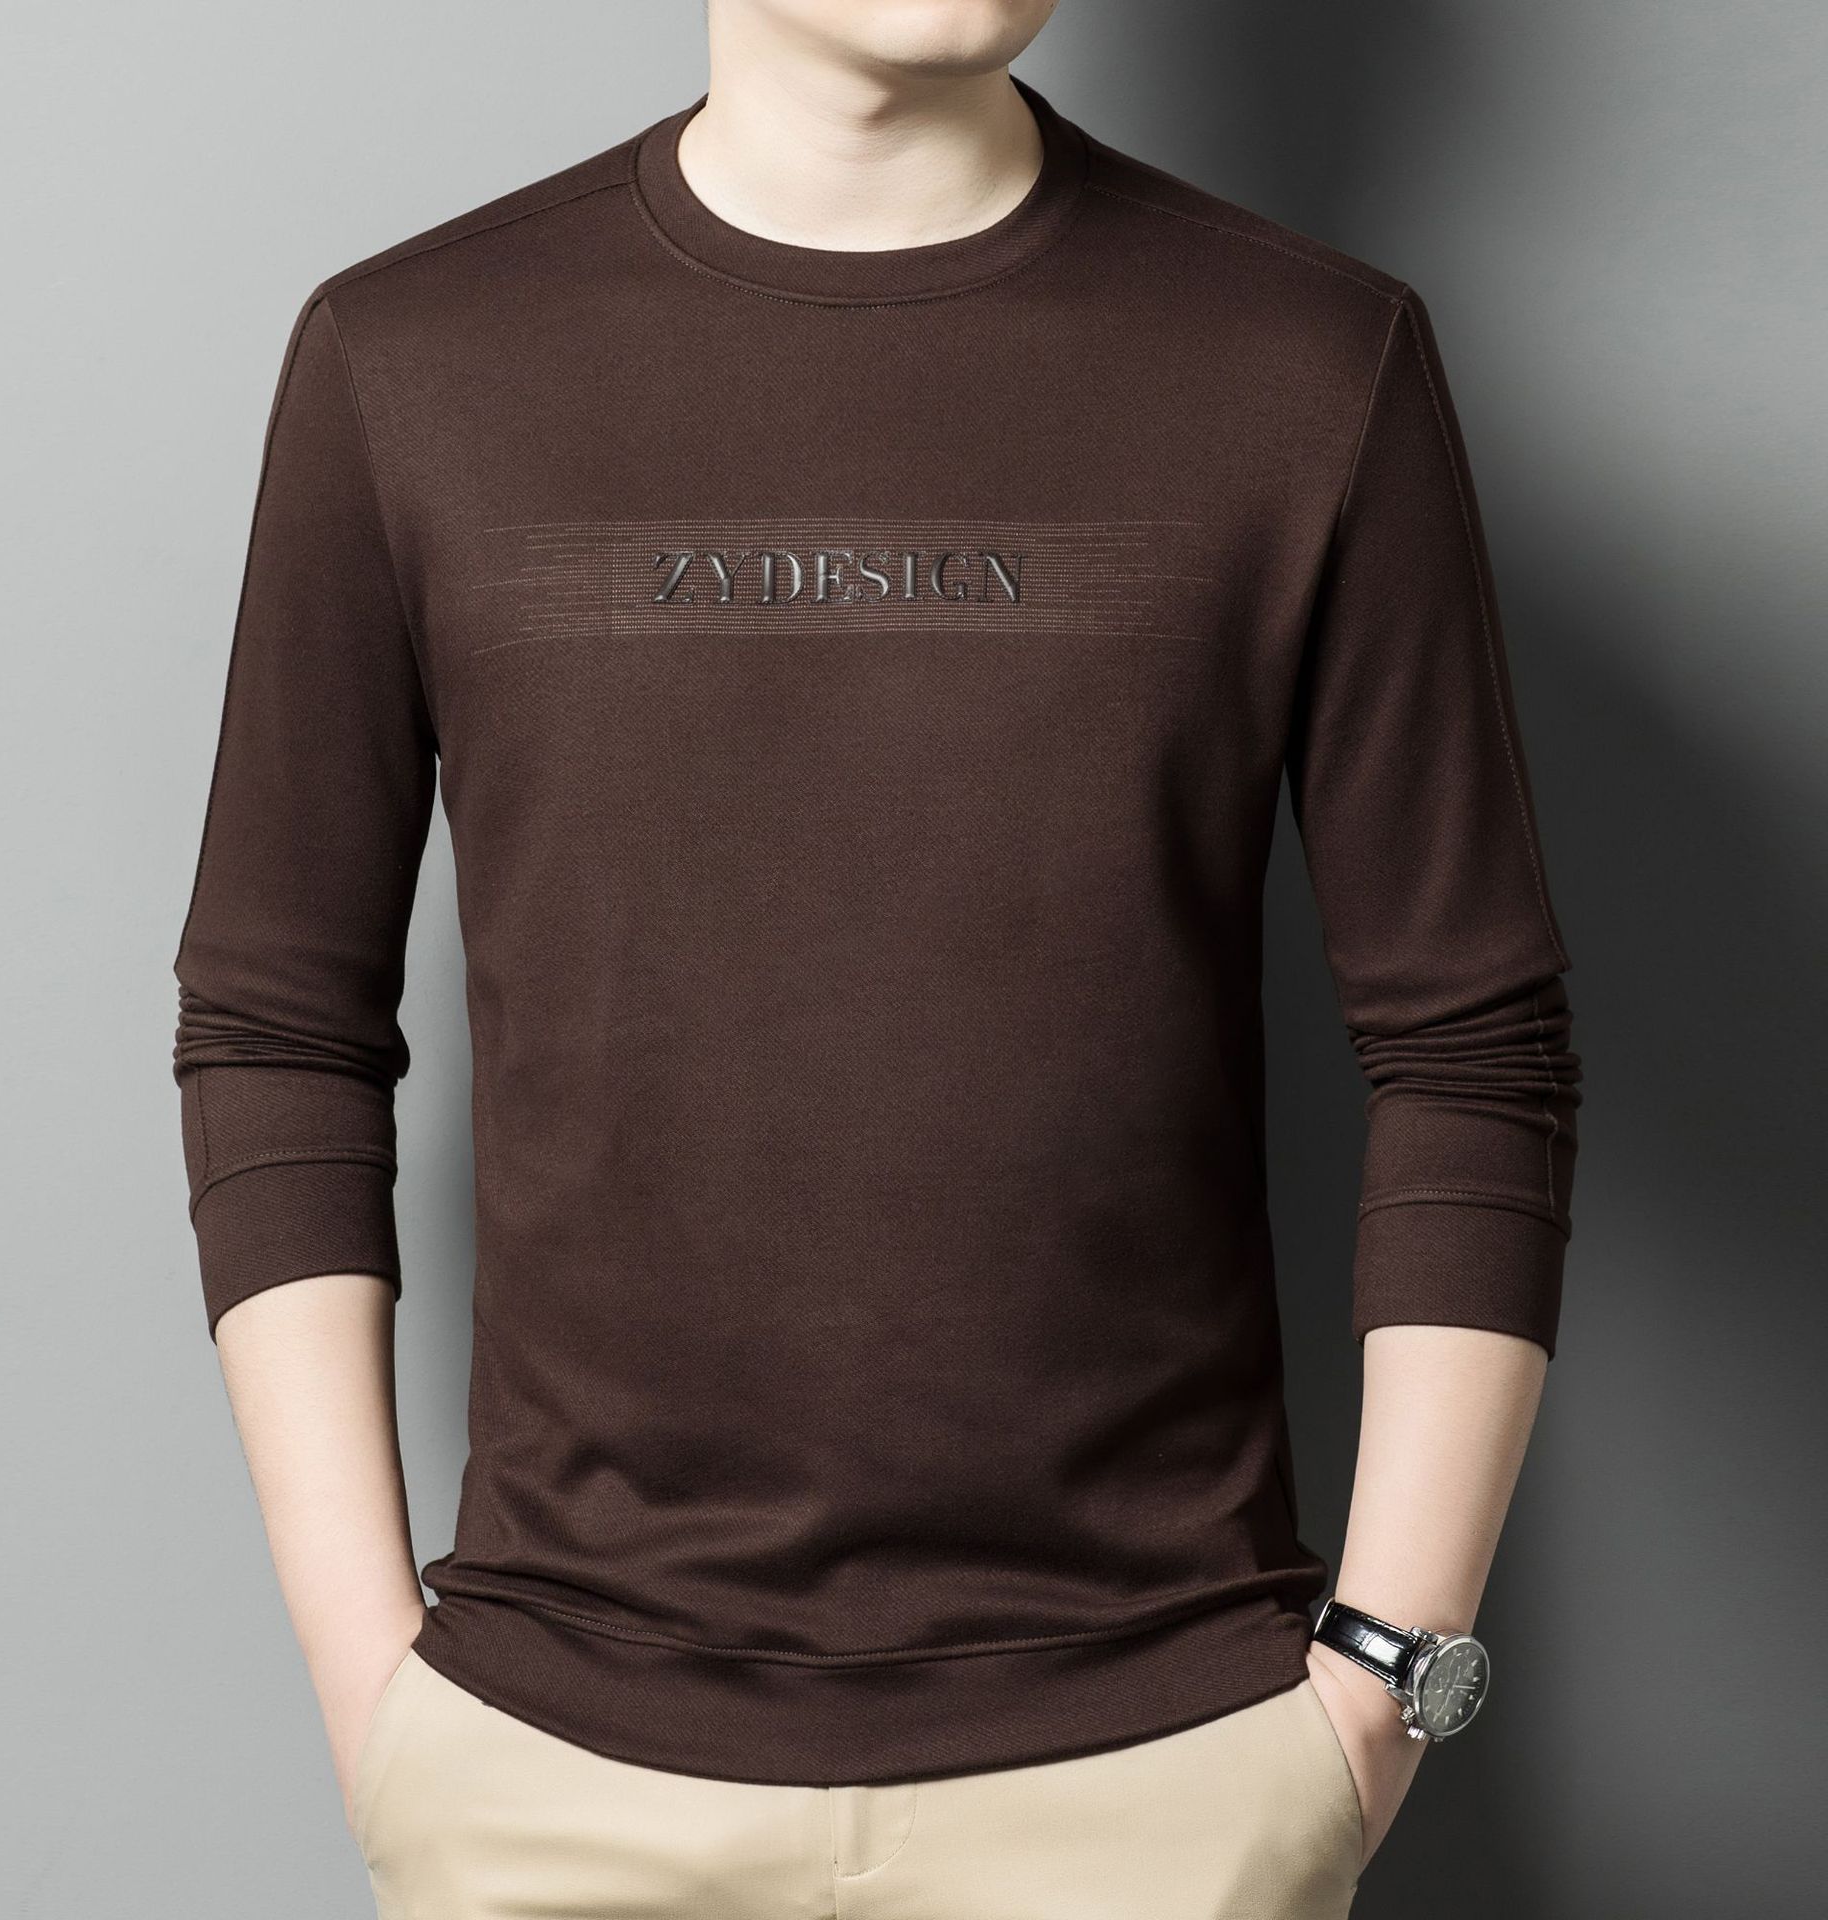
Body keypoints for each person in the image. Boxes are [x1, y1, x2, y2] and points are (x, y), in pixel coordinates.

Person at [170, 3, 1582, 1915]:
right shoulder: (412, 357)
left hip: (1164, 1780)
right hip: (551, 1774)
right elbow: (278, 1028)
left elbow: (1474, 1049)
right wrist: (375, 1688)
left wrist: (1378, 1690)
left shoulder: (1308, 359)